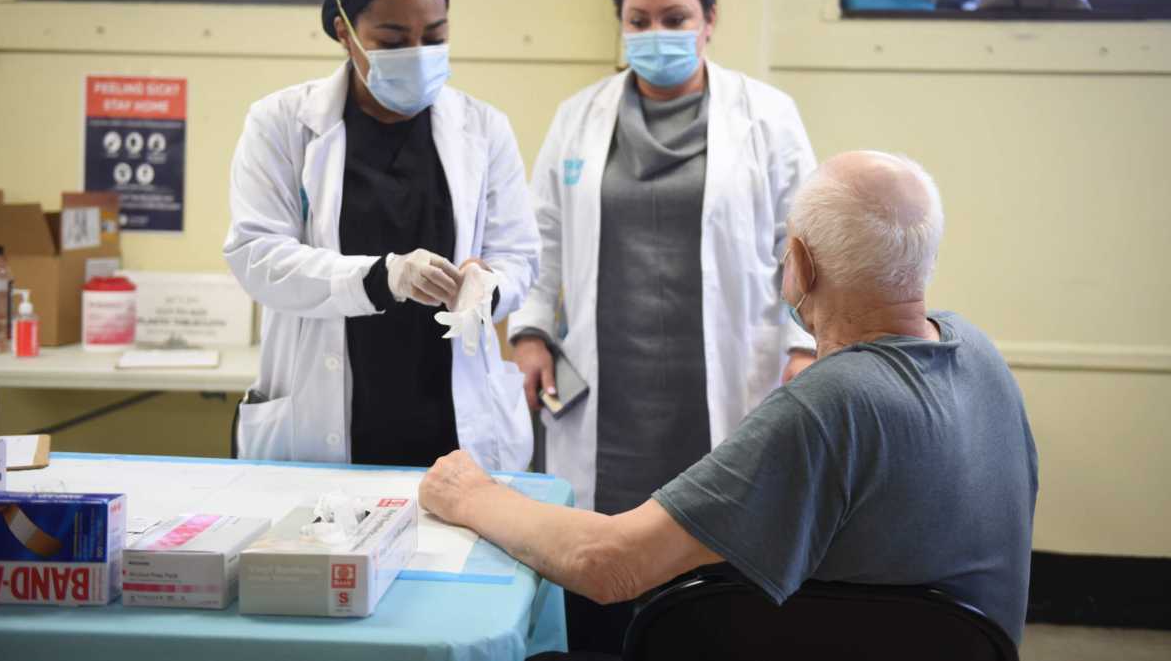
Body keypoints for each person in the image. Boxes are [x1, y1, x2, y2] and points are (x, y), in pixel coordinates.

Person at [422, 151, 1039, 651]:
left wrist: (471, 494)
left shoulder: (829, 405)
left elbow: (607, 564)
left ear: (799, 263)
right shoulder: (977, 353)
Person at [507, 0, 817, 650]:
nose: (657, 35)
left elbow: (801, 242)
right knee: (601, 558)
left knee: (715, 556)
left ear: (710, 20)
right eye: (638, 20)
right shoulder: (578, 117)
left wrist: (804, 346)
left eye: (674, 18)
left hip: (729, 376)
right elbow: (541, 238)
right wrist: (529, 331)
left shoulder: (767, 116)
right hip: (606, 384)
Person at [223, 0, 539, 471]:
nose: (416, 53)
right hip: (326, 423)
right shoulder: (281, 124)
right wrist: (382, 277)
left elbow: (520, 256)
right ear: (346, 33)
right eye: (393, 41)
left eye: (434, 36)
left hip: (455, 419)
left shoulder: (484, 129)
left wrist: (489, 287)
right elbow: (256, 255)